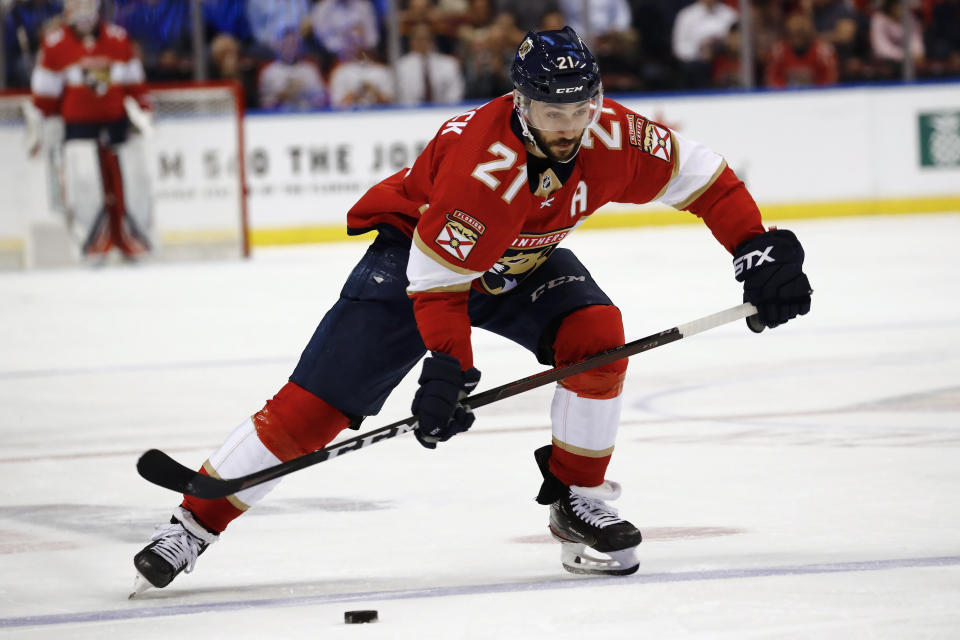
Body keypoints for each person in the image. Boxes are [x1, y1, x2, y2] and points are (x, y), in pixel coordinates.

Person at [131, 26, 812, 593]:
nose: (570, 128)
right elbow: (436, 282)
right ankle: (192, 524)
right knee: (317, 409)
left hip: (517, 258)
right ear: (521, 103)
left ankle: (580, 502)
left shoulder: (613, 136)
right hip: (415, 260)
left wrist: (755, 249)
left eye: (582, 110)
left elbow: (707, 180)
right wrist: (448, 369)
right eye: (553, 113)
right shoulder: (481, 171)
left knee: (595, 334)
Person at [28, 0, 153, 260]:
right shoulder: (54, 44)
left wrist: (144, 112)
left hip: (117, 124)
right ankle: (91, 240)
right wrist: (42, 128)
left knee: (132, 179)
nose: (82, 8)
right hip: (77, 128)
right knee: (84, 182)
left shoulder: (117, 39)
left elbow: (135, 84)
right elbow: (44, 97)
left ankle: (132, 236)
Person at [394, 21, 464, 105]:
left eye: (426, 38)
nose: (422, 43)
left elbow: (455, 93)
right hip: (412, 113)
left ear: (432, 41)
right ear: (411, 41)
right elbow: (400, 96)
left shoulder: (449, 64)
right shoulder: (401, 66)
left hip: (445, 112)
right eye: (418, 39)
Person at [257, 27, 328, 110]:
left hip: (307, 116)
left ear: (299, 47)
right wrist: (281, 96)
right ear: (278, 46)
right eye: (286, 44)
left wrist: (302, 91)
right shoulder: (269, 72)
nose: (290, 48)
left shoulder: (310, 70)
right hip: (279, 118)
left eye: (293, 44)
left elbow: (323, 101)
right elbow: (264, 106)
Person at [764, 12, 839, 88]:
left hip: (816, 96)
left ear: (809, 33)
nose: (796, 39)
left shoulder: (823, 53)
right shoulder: (778, 52)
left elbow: (829, 81)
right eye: (792, 34)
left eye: (800, 33)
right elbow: (772, 80)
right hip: (786, 96)